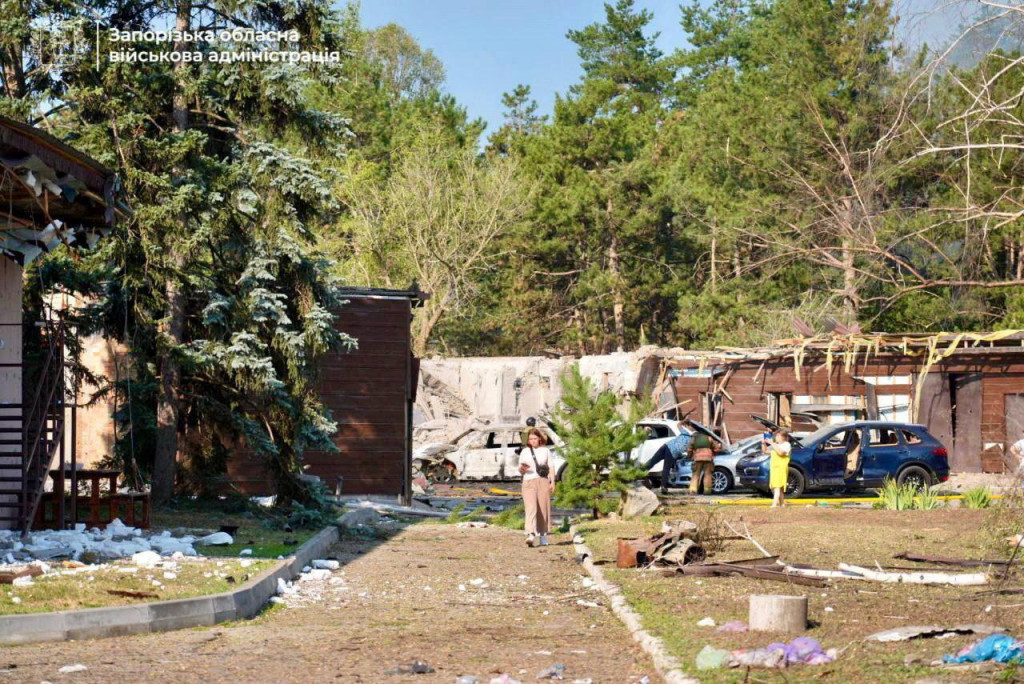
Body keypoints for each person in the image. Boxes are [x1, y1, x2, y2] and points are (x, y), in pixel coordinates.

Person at [519, 428, 554, 547]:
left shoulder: (546, 451)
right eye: (530, 439)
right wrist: (523, 469)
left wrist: (552, 482)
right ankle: (530, 533)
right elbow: (520, 469)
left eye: (534, 438)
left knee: (543, 509)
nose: (532, 441)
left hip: (543, 481)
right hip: (528, 482)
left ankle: (543, 535)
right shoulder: (524, 452)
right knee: (531, 508)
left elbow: (551, 467)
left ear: (539, 438)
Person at [643, 425, 691, 495]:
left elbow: (678, 425)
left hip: (666, 446)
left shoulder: (686, 433)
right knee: (666, 468)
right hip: (672, 452)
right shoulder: (691, 444)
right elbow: (688, 454)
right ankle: (663, 486)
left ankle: (640, 471)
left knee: (653, 460)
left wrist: (684, 421)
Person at [689, 431, 720, 495]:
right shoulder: (709, 438)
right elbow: (717, 448)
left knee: (696, 475)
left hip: (697, 458)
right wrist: (713, 454)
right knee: (708, 474)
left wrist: (689, 456)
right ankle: (707, 491)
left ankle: (693, 491)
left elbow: (689, 449)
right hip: (708, 458)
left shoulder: (694, 439)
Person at [769, 430, 792, 508]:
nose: (777, 437)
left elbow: (781, 453)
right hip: (774, 468)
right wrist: (763, 443)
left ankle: (774, 504)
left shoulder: (786, 445)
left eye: (779, 436)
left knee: (777, 487)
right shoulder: (776, 445)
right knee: (779, 488)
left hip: (781, 468)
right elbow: (765, 451)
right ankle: (782, 504)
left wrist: (773, 444)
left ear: (784, 437)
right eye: (776, 436)